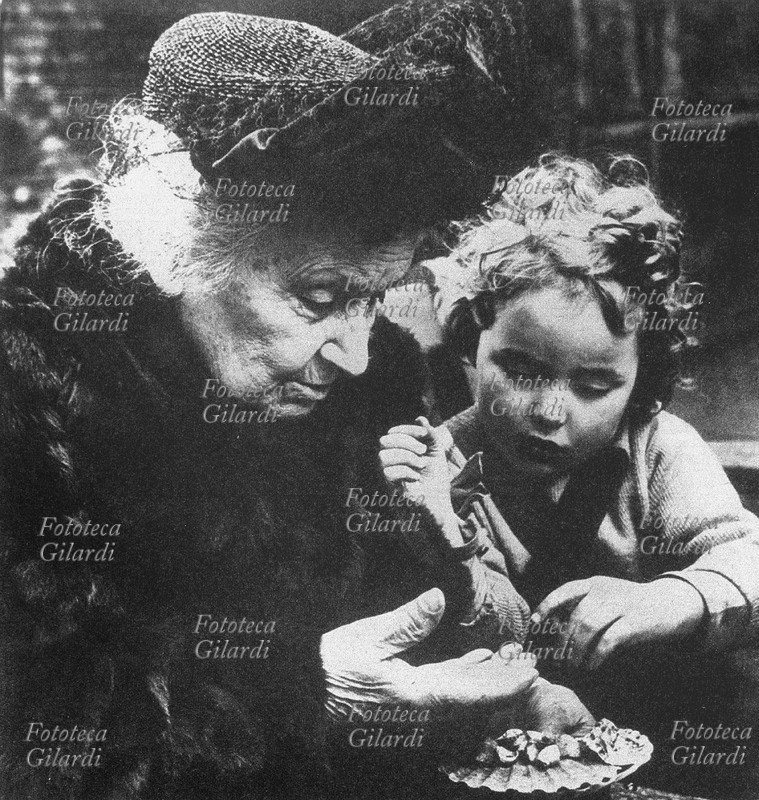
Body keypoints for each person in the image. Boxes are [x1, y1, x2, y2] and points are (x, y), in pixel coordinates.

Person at [0, 4, 568, 799]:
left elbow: (405, 631)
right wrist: (299, 695)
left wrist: (500, 693)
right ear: (179, 247)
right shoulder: (28, 404)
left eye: (374, 298)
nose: (357, 354)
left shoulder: (369, 389)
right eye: (319, 296)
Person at [380, 154, 759, 798]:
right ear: (466, 342)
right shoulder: (441, 468)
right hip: (516, 754)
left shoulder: (659, 450)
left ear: (642, 381)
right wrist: (449, 547)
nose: (548, 412)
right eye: (517, 369)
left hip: (682, 743)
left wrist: (668, 599)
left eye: (594, 385)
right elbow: (492, 635)